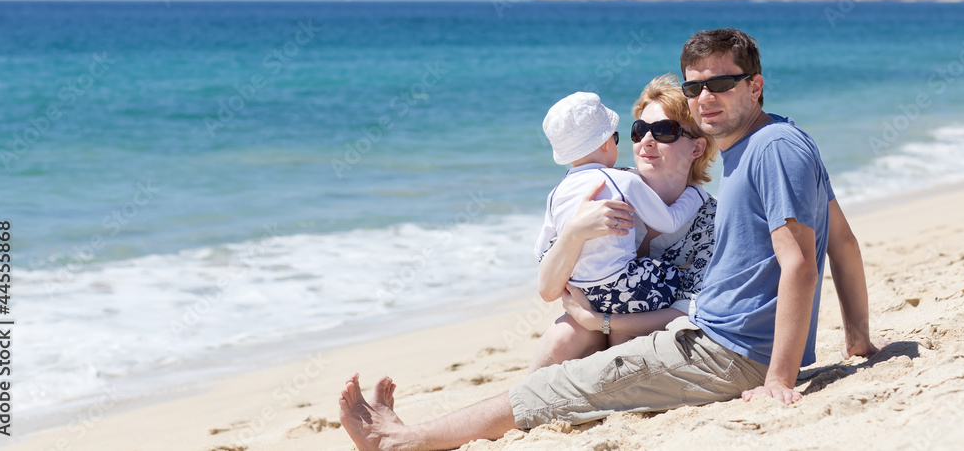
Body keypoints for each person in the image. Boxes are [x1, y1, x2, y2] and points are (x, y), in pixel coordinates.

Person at [340, 28, 881, 451]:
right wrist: (857, 340)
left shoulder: (772, 148)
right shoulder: (771, 143)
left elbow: (801, 264)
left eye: (722, 84)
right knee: (568, 358)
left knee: (564, 387)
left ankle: (398, 441)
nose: (706, 97)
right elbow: (845, 242)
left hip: (725, 351)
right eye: (695, 87)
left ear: (754, 85)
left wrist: (780, 380)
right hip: (718, 340)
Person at [530, 76, 717, 365]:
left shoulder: (710, 220)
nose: (647, 140)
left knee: (629, 339)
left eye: (665, 131)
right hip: (594, 320)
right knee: (565, 336)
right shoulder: (605, 188)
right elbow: (548, 289)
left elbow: (689, 310)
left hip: (658, 330)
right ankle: (531, 405)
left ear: (697, 148)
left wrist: (602, 322)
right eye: (639, 130)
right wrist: (574, 233)